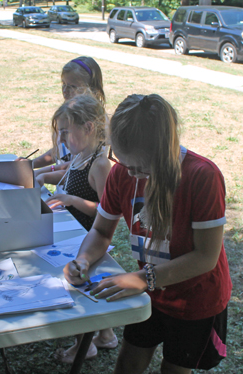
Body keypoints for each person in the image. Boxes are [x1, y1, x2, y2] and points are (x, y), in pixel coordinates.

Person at [64, 94, 232, 374]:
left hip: (196, 299)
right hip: (151, 292)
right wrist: (83, 259)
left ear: (161, 152)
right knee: (129, 362)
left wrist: (142, 278)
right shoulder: (122, 174)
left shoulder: (202, 176)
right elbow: (102, 231)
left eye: (140, 168)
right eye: (124, 162)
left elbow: (205, 257)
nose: (131, 173)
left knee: (175, 368)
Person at [42, 94, 116, 362]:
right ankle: (106, 336)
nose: (61, 139)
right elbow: (66, 175)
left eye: (65, 132)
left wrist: (71, 200)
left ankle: (84, 345)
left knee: (77, 288)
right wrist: (38, 174)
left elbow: (107, 210)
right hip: (75, 232)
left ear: (88, 128)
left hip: (87, 240)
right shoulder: (81, 155)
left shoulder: (100, 164)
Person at [27, 56, 105, 171]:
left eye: (72, 86)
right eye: (63, 84)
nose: (65, 90)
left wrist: (43, 173)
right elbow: (60, 151)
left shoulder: (91, 122)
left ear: (90, 88)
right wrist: (30, 164)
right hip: (64, 186)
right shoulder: (68, 113)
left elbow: (76, 167)